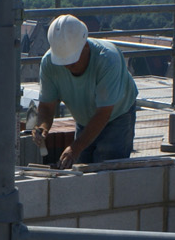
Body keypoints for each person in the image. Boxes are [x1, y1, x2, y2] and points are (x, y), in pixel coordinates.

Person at [34, 14, 139, 168]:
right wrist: (42, 127)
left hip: (117, 115)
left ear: (85, 47)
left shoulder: (108, 60)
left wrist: (75, 147)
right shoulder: (49, 63)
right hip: (84, 118)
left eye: (72, 61)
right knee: (82, 170)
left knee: (106, 170)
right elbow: (46, 106)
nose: (67, 66)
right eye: (64, 62)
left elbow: (103, 113)